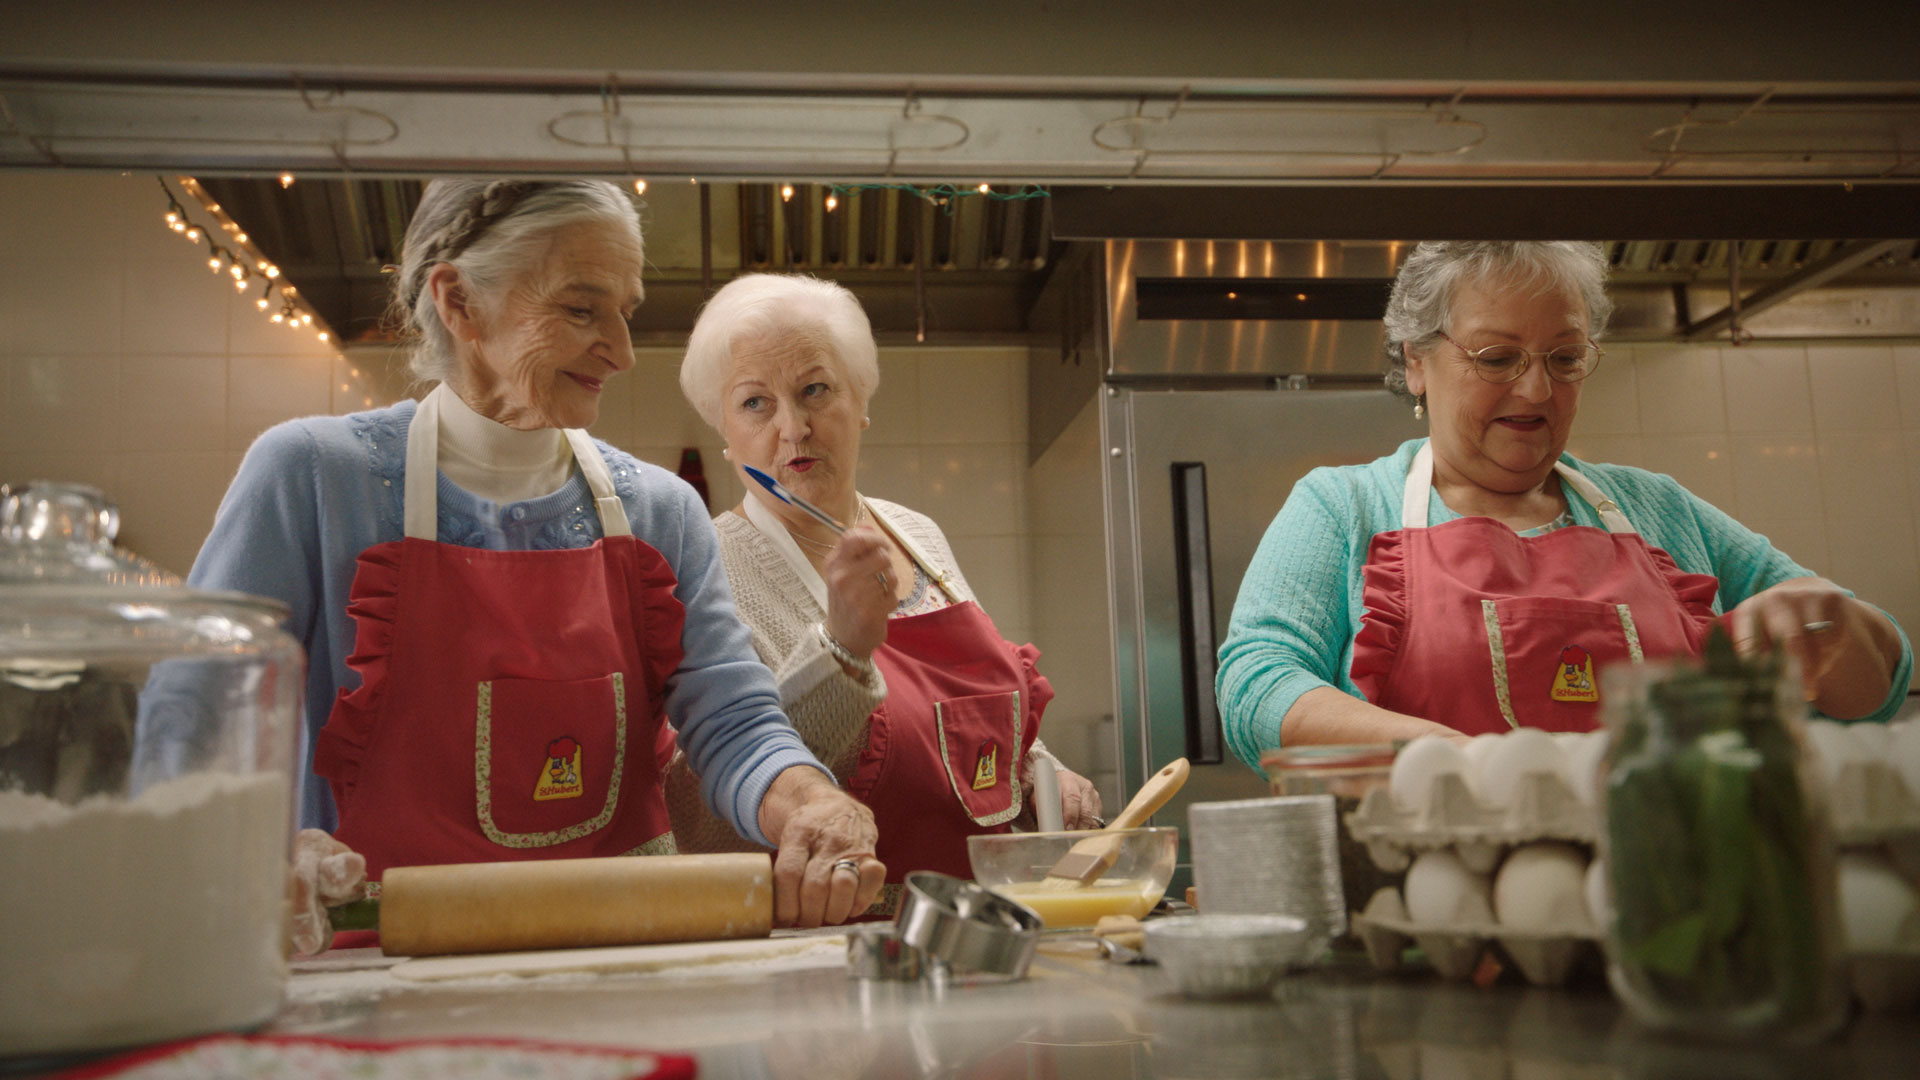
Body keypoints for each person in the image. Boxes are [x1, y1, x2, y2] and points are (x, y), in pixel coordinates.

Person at [189, 181, 883, 950]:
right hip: (378, 967)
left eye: (625, 311)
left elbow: (734, 724)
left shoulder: (660, 510)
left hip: (619, 965)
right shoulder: (315, 478)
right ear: (459, 303)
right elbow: (194, 718)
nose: (622, 352)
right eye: (582, 310)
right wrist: (249, 844)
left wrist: (810, 801)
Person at [1217, 241, 1912, 759]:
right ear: (1416, 361)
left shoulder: (1657, 509)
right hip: (1423, 887)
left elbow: (1880, 686)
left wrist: (1835, 631)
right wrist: (1451, 762)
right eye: (1497, 358)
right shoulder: (1344, 506)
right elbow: (1257, 685)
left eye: (1565, 357)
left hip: (1668, 887)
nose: (1536, 390)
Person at [668, 273, 1100, 908]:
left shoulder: (916, 533)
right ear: (725, 433)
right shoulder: (707, 564)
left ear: (862, 399)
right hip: (836, 928)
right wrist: (840, 651)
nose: (793, 427)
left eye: (815, 390)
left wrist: (1041, 769)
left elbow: (962, 715)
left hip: (977, 915)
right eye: (755, 403)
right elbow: (704, 809)